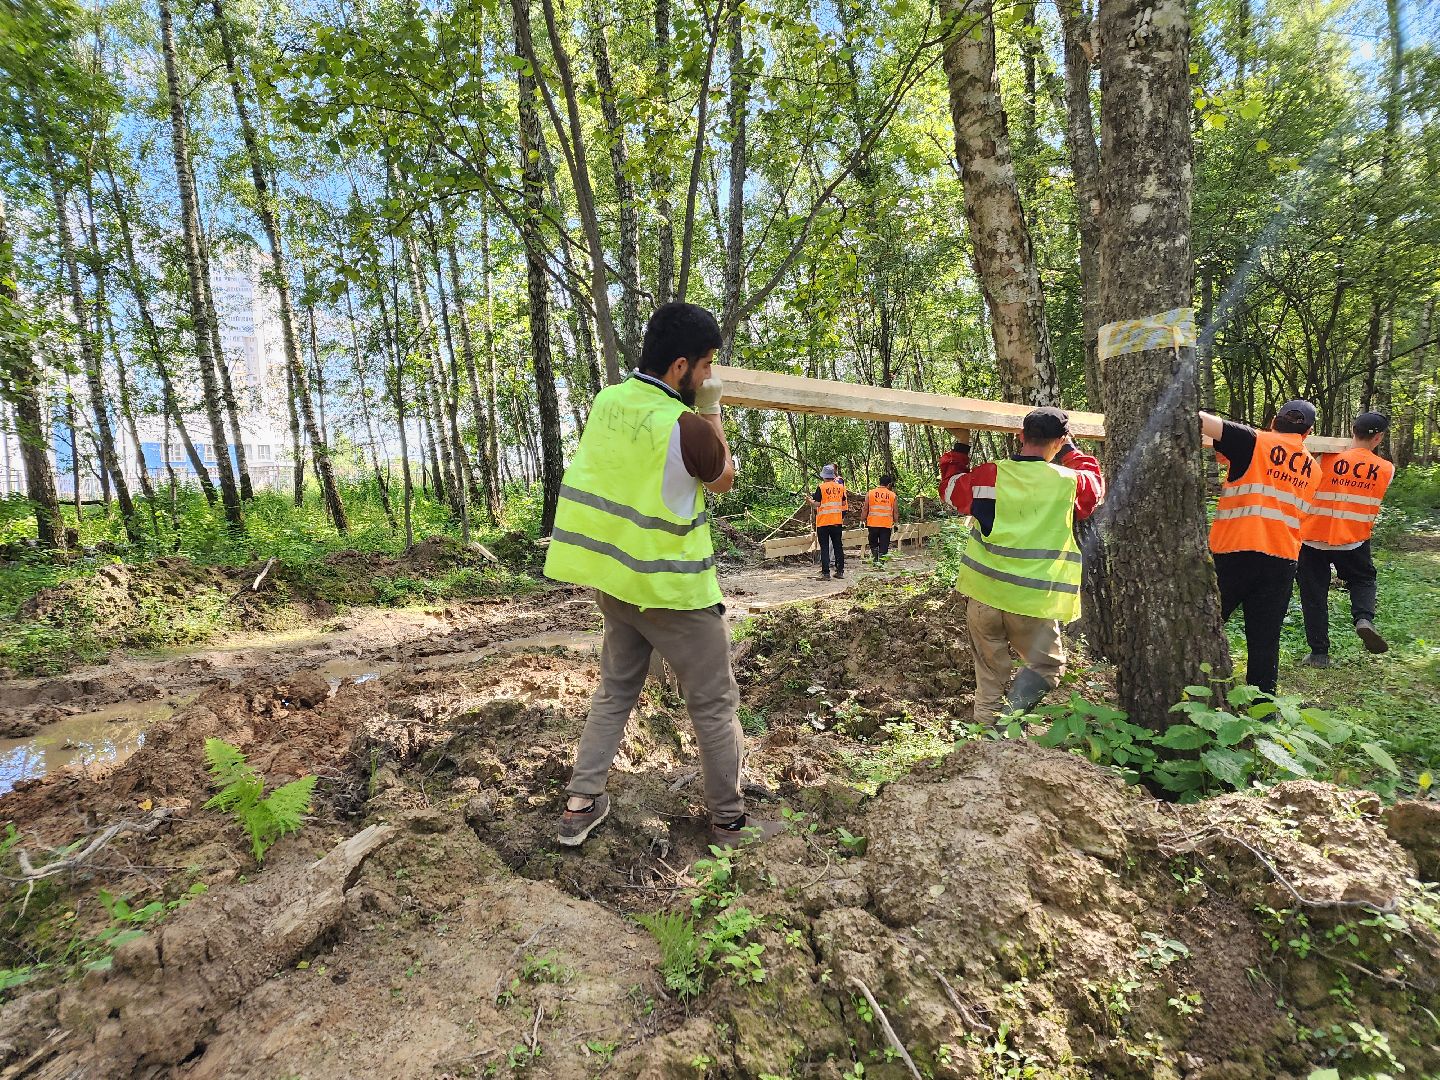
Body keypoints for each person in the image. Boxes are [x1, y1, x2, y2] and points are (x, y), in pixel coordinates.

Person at [544, 302, 774, 849]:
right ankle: (728, 821)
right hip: (676, 593)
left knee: (615, 692)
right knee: (714, 706)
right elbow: (723, 479)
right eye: (707, 366)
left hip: (619, 586)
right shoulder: (687, 427)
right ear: (679, 367)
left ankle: (581, 803)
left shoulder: (608, 402)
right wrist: (712, 409)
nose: (710, 376)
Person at [939, 409, 1104, 722]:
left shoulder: (990, 474)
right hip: (1031, 603)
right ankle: (1008, 724)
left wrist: (961, 445)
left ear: (1020, 436)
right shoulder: (1068, 482)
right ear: (1059, 441)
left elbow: (951, 489)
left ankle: (986, 734)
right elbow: (1094, 489)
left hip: (984, 596)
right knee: (1047, 666)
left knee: (989, 675)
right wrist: (1069, 450)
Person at [1200, 400, 1321, 695]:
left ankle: (1191, 692)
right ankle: (1264, 713)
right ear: (1308, 432)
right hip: (1282, 558)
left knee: (1203, 624)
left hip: (1236, 551)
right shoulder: (1314, 470)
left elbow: (1198, 419)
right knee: (1265, 640)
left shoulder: (1254, 441)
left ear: (1274, 421)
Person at [1296, 412, 1395, 666]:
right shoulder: (1386, 469)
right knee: (1363, 579)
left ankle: (1319, 653)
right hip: (1353, 539)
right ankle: (1363, 618)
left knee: (1313, 593)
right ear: (1379, 438)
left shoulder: (1323, 457)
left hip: (1312, 536)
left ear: (1352, 430)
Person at [807, 465, 847, 580]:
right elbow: (843, 503)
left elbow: (817, 504)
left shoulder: (821, 487)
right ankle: (840, 571)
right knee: (838, 546)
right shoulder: (840, 487)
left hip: (824, 522)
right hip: (837, 521)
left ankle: (826, 573)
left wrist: (810, 501)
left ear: (824, 476)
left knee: (824, 547)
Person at [863, 475, 898, 564]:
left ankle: (875, 559)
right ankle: (881, 563)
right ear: (889, 484)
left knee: (873, 542)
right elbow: (895, 511)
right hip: (886, 524)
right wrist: (896, 523)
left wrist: (862, 520)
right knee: (884, 543)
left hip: (873, 523)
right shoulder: (892, 495)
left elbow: (865, 508)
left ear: (879, 482)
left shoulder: (870, 493)